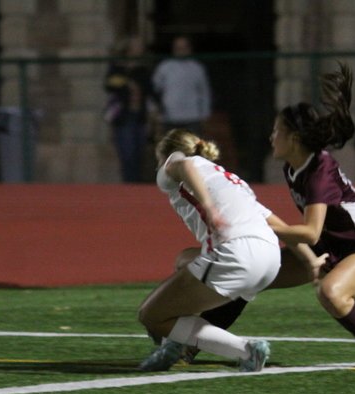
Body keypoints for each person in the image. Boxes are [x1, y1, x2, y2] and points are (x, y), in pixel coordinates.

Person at [178, 63, 355, 368]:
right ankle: (191, 345)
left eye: (277, 130)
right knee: (248, 274)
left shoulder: (319, 172)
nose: (271, 136)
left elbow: (310, 233)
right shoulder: (294, 166)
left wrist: (259, 225)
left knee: (331, 293)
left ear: (293, 139)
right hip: (324, 249)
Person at [136, 129, 281, 373]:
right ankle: (172, 345)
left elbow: (184, 165)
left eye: (159, 160)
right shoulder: (232, 180)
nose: (159, 167)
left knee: (151, 316)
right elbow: (279, 226)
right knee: (185, 260)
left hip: (236, 252)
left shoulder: (177, 164)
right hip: (271, 257)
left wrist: (210, 208)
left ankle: (245, 349)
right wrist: (310, 257)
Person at [104, 36, 152, 183]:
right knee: (127, 153)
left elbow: (150, 89)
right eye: (135, 46)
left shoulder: (144, 68)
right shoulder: (118, 66)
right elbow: (109, 84)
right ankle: (129, 183)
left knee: (139, 153)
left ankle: (137, 182)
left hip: (140, 114)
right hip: (124, 115)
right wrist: (128, 84)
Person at [151, 35, 212, 137]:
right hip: (169, 118)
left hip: (193, 117)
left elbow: (204, 92)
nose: (181, 50)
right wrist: (153, 110)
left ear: (189, 49)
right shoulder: (164, 67)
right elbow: (154, 89)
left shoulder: (197, 68)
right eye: (178, 47)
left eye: (184, 47)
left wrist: (205, 114)